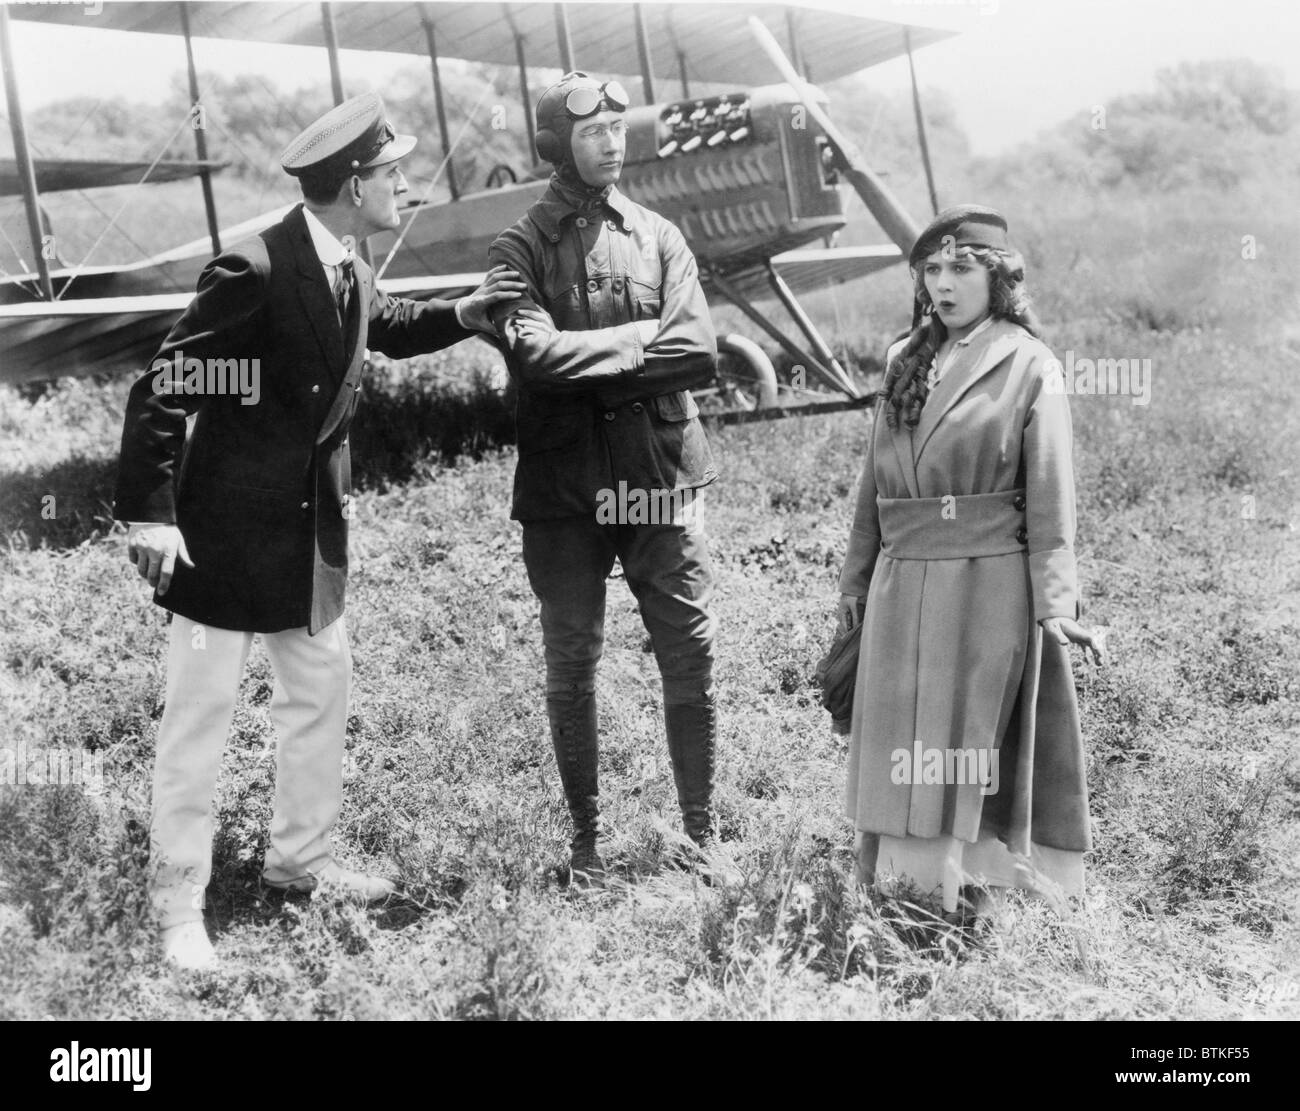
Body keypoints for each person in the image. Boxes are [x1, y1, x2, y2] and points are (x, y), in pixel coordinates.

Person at [114, 93, 525, 969]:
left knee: (320, 695)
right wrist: (150, 512)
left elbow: (387, 327)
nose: (404, 184)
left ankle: (299, 863)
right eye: (390, 173)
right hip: (222, 539)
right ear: (351, 183)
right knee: (200, 720)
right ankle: (177, 902)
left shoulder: (346, 261)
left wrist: (466, 313)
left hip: (310, 540)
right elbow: (163, 385)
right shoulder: (255, 269)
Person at [486, 72, 726, 887]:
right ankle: (587, 843)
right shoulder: (517, 248)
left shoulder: (660, 235)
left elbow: (698, 351)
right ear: (557, 142)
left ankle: (703, 834)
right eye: (591, 131)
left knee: (688, 651)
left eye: (619, 127)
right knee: (572, 658)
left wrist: (588, 360)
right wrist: (640, 344)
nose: (611, 141)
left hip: (660, 475)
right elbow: (534, 357)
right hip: (565, 490)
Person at [836, 204, 1106, 918]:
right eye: (932, 269)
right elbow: (874, 488)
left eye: (962, 267)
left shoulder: (1029, 364)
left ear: (999, 277)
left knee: (973, 738)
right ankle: (908, 892)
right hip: (901, 582)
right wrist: (855, 580)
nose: (944, 284)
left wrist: (1056, 604)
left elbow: (1051, 500)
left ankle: (988, 898)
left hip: (986, 583)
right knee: (907, 738)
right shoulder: (905, 359)